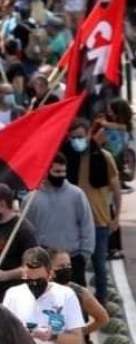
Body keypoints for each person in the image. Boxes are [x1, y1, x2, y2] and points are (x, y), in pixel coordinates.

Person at [62, 118, 121, 304]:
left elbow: (117, 189)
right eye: (73, 137)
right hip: (72, 222)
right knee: (73, 266)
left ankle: (101, 302)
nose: (76, 141)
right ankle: (77, 303)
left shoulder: (103, 157)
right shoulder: (66, 158)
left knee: (99, 265)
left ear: (88, 134)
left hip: (98, 220)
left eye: (80, 137)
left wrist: (116, 217)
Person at [3, 247, 84, 344]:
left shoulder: (66, 295)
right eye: (30, 280)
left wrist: (52, 336)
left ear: (50, 273)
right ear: (23, 274)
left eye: (39, 280)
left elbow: (77, 343)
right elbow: (4, 337)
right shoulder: (13, 294)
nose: (34, 284)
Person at [27, 154, 95, 286]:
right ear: (47, 170)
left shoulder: (77, 195)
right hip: (44, 262)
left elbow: (87, 225)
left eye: (64, 171)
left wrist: (84, 255)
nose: (61, 175)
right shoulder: (31, 198)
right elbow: (28, 232)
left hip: (73, 260)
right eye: (57, 171)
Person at [49, 248, 109, 344]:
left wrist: (82, 332)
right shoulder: (41, 293)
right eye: (61, 266)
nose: (66, 269)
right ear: (49, 269)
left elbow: (103, 318)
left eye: (68, 265)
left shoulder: (79, 292)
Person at [0, 183, 39, 301]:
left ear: (1, 204)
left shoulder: (23, 229)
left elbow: (34, 265)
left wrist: (6, 275)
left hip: (13, 295)